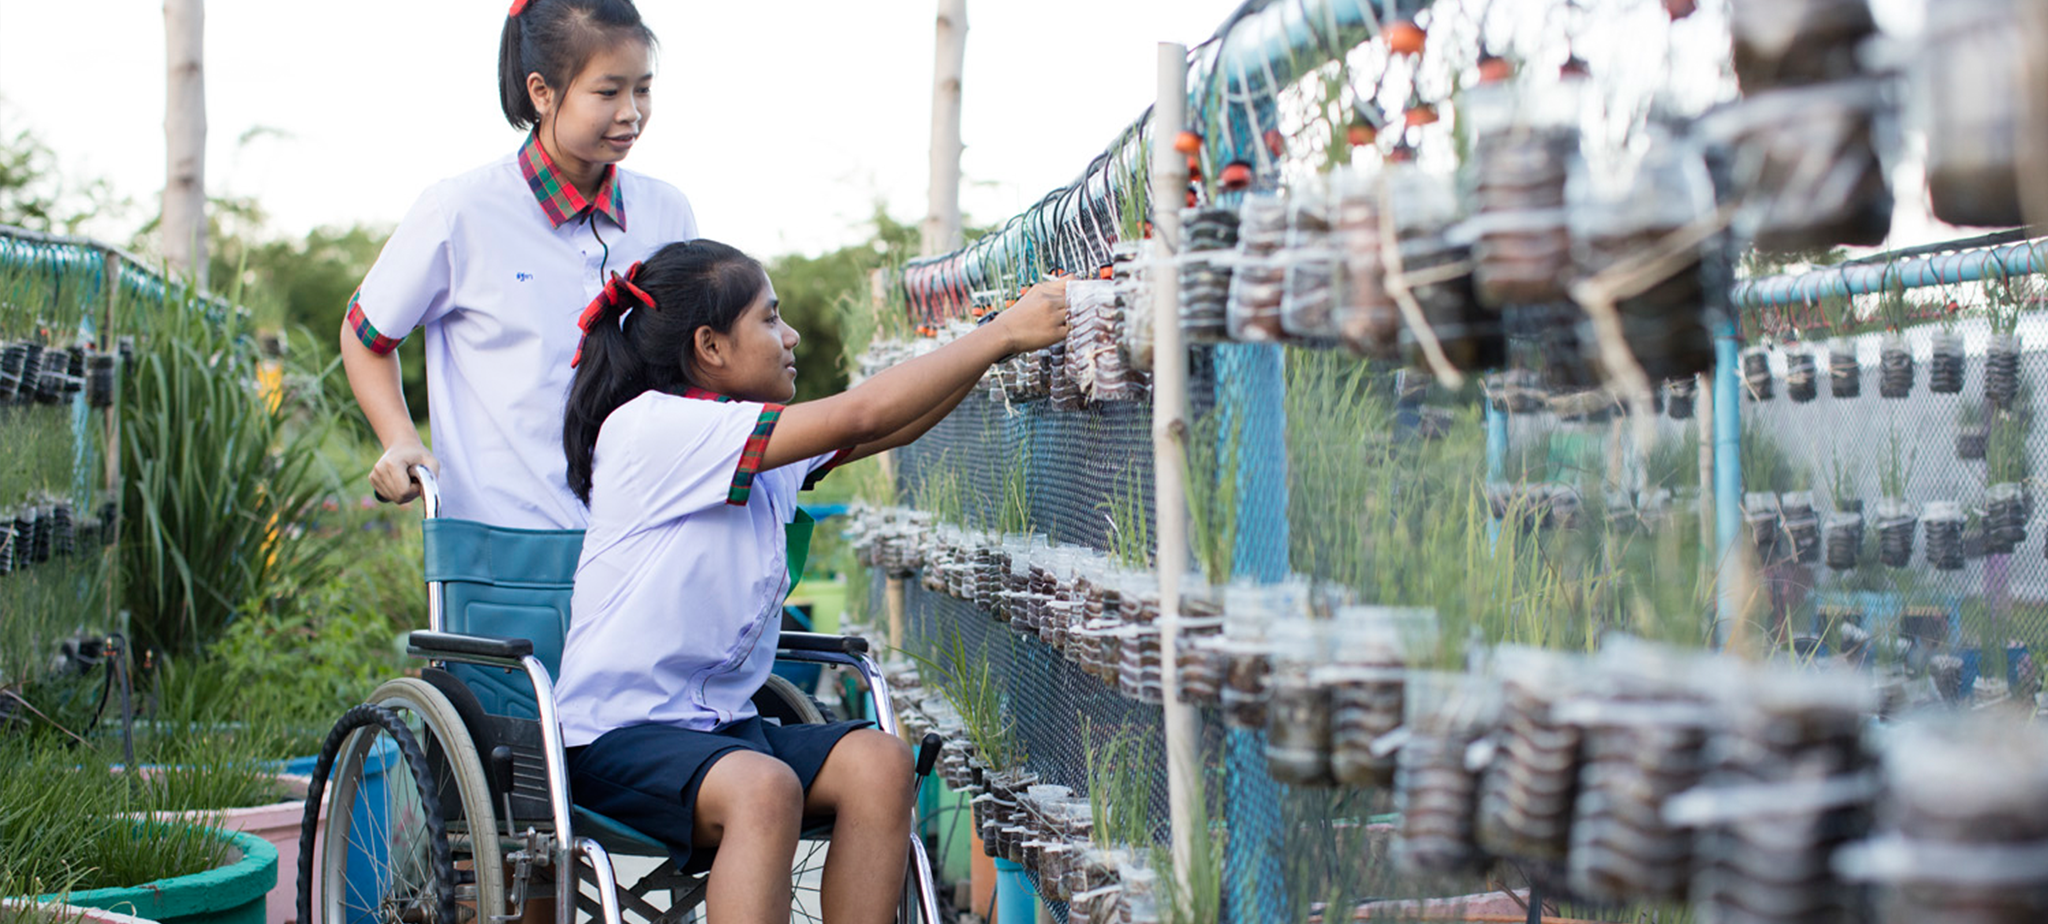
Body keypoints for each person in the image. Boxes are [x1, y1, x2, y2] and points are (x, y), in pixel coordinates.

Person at [554, 239, 1067, 924]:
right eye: (770, 319)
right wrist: (1002, 331)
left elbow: (893, 424)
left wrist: (996, 341)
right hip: (619, 736)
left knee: (881, 764)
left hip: (721, 731)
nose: (789, 335)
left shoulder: (751, 439)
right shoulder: (657, 428)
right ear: (709, 346)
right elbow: (862, 412)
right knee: (764, 789)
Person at [341, 0, 695, 528]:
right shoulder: (460, 211)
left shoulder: (667, 212)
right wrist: (400, 440)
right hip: (502, 545)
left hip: (645, 536)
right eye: (608, 91)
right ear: (542, 91)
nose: (631, 112)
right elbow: (365, 334)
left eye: (642, 89)